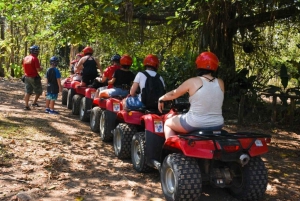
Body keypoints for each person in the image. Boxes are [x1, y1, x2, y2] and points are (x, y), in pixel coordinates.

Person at [157, 51, 224, 139]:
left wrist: (161, 98)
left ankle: (172, 149)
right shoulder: (220, 82)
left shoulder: (193, 81)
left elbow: (174, 94)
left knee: (168, 123)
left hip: (195, 122)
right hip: (217, 123)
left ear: (198, 65)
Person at [22, 45, 43, 110]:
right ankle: (34, 102)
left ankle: (26, 106)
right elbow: (38, 69)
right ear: (36, 52)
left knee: (27, 91)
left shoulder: (25, 58)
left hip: (26, 77)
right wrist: (41, 68)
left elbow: (23, 67)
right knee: (39, 91)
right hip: (34, 77)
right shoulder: (35, 58)